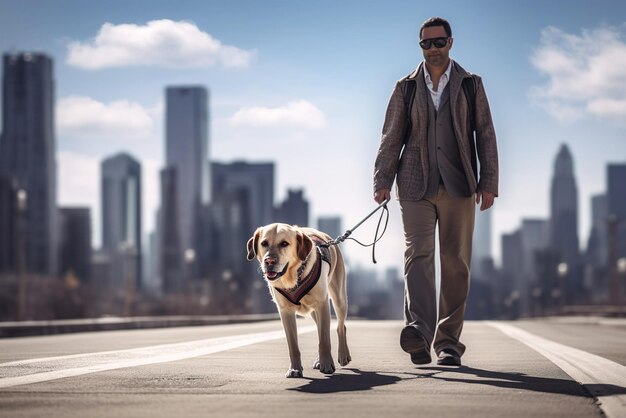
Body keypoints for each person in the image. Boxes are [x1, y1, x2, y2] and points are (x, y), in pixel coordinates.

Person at [373, 17, 499, 367]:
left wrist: (489, 181)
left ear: (451, 43)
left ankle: (448, 344)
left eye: (438, 42)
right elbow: (391, 135)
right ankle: (419, 333)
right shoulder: (406, 87)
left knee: (456, 262)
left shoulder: (471, 85)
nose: (432, 49)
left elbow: (485, 134)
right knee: (418, 257)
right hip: (415, 185)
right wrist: (382, 179)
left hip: (460, 186)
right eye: (426, 44)